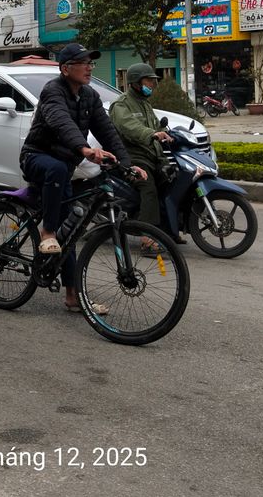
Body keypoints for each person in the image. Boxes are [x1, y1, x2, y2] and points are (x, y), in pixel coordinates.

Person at [19, 43, 145, 314]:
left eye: (91, 62)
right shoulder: (53, 91)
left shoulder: (88, 95)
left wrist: (127, 164)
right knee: (57, 171)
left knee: (72, 228)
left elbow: (108, 130)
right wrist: (85, 149)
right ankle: (47, 231)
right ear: (66, 69)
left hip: (66, 165)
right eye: (83, 62)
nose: (89, 67)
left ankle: (73, 296)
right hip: (36, 158)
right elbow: (61, 122)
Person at [109, 63, 183, 248]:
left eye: (153, 81)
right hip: (132, 157)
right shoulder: (121, 104)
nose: (152, 84)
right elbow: (129, 127)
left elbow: (157, 127)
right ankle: (147, 237)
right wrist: (151, 134)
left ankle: (169, 231)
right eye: (148, 80)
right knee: (148, 187)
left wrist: (169, 134)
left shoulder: (145, 104)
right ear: (135, 82)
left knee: (172, 182)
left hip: (152, 156)